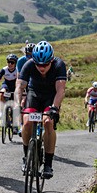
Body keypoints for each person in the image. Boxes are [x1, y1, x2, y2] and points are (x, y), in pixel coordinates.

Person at [15, 41, 67, 179]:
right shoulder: (29, 64)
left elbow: (60, 90)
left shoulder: (59, 65)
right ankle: (26, 156)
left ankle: (48, 164)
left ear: (51, 60)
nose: (41, 68)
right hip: (35, 94)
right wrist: (17, 105)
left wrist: (54, 108)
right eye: (38, 64)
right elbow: (20, 87)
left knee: (48, 122)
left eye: (45, 65)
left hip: (51, 96)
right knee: (27, 122)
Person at [0, 54, 19, 128]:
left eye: (12, 62)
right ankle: (1, 111)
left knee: (15, 105)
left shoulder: (17, 70)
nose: (10, 64)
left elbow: (20, 81)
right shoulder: (4, 69)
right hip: (6, 84)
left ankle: (15, 124)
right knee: (2, 92)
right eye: (8, 62)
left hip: (15, 85)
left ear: (15, 63)